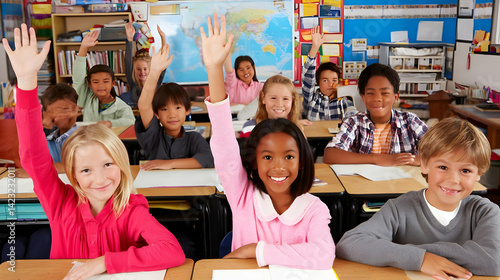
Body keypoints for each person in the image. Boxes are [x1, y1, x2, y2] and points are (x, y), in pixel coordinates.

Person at [4, 24, 185, 279]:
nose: (99, 179)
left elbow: (172, 251)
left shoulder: (130, 210)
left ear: (122, 164)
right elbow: (33, 157)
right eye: (86, 170)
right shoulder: (60, 202)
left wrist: (104, 262)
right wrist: (26, 82)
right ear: (73, 175)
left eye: (108, 165)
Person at [201, 13, 335, 269]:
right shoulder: (243, 197)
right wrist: (213, 69)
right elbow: (224, 144)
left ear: (303, 161)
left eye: (289, 156)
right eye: (267, 157)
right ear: (253, 163)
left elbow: (323, 256)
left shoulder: (313, 208)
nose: (278, 167)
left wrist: (256, 250)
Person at [336, 117, 500, 279]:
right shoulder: (400, 208)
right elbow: (349, 244)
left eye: (465, 171)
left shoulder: (485, 211)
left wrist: (412, 254)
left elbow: (494, 261)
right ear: (424, 164)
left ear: (479, 173)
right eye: (443, 167)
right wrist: (421, 260)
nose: (453, 180)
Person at [323, 63, 428, 166]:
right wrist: (379, 159)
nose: (377, 98)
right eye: (370, 93)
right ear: (363, 97)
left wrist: (420, 159)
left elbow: (441, 148)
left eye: (384, 93)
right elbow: (330, 154)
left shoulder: (410, 121)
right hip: (365, 182)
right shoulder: (354, 122)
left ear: (395, 97)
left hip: (403, 182)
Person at [135, 39, 214, 170]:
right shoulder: (154, 136)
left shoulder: (193, 138)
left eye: (178, 108)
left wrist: (169, 164)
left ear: (187, 110)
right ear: (156, 114)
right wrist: (154, 72)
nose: (172, 114)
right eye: (164, 109)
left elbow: (207, 159)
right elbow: (143, 106)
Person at [73, 29, 135, 128]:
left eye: (106, 81)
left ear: (113, 83)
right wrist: (83, 47)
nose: (101, 85)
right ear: (89, 84)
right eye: (95, 82)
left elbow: (130, 121)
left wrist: (110, 123)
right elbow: (78, 78)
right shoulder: (86, 99)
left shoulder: (121, 106)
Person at [302, 26, 356, 121]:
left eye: (334, 80)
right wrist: (315, 47)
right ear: (318, 82)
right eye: (325, 80)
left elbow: (353, 117)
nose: (331, 84)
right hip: (314, 136)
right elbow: (308, 77)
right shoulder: (311, 99)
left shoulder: (345, 102)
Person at [239, 75, 305, 138]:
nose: (279, 104)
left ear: (292, 100)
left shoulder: (297, 129)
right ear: (263, 98)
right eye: (273, 98)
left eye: (285, 99)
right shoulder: (249, 128)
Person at [124, 22, 166, 105]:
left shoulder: (156, 82)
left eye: (145, 69)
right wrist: (129, 41)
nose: (142, 72)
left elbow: (163, 60)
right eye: (138, 69)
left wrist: (163, 38)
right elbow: (128, 62)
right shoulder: (133, 82)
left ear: (150, 69)